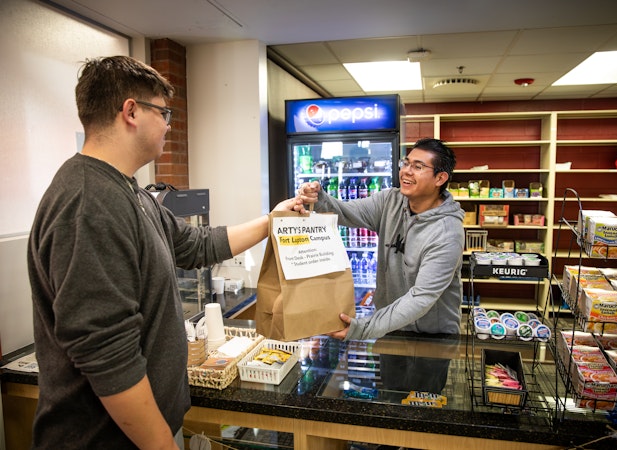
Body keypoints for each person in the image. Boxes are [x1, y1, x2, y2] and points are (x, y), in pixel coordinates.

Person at [27, 55, 306, 450]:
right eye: (163, 112)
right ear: (130, 112)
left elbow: (196, 245)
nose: (169, 125)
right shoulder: (89, 202)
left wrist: (271, 220)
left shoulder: (130, 192)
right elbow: (108, 356)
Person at [298, 138, 465, 341]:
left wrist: (363, 328)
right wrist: (319, 198)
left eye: (418, 167)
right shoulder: (390, 201)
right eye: (406, 163)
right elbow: (348, 212)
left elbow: (421, 297)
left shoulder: (448, 232)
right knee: (390, 375)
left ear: (440, 178)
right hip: (388, 327)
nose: (406, 171)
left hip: (432, 336)